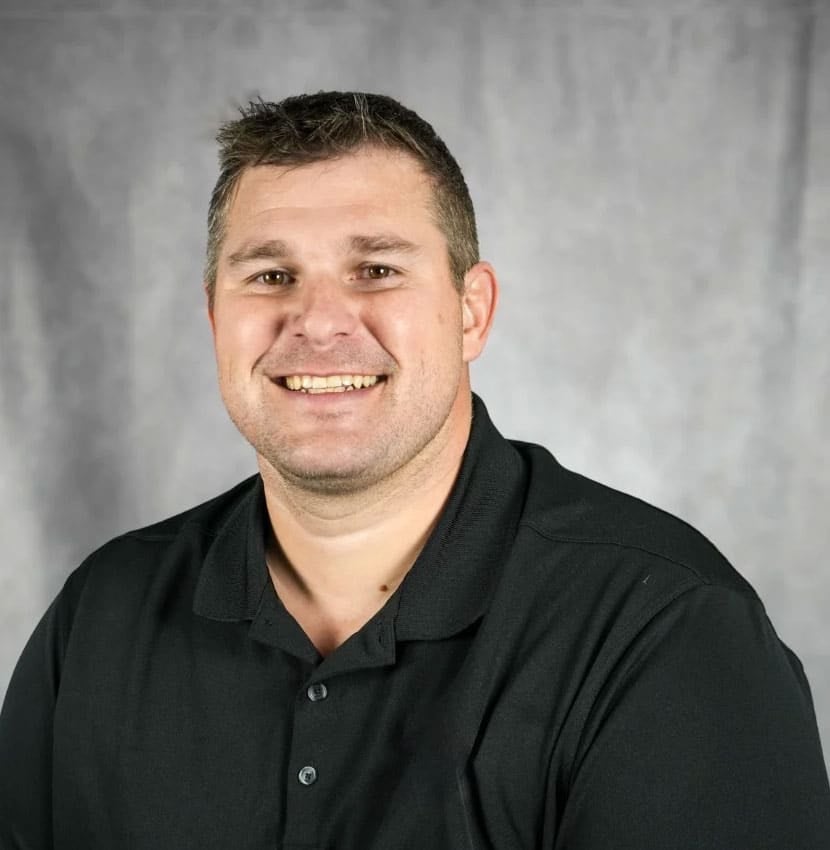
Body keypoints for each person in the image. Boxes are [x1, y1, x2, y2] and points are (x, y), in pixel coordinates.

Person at [1, 91, 828, 850]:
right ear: (217, 317)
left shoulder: (668, 636)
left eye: (376, 269)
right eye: (271, 275)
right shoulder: (100, 617)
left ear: (472, 312)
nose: (319, 322)